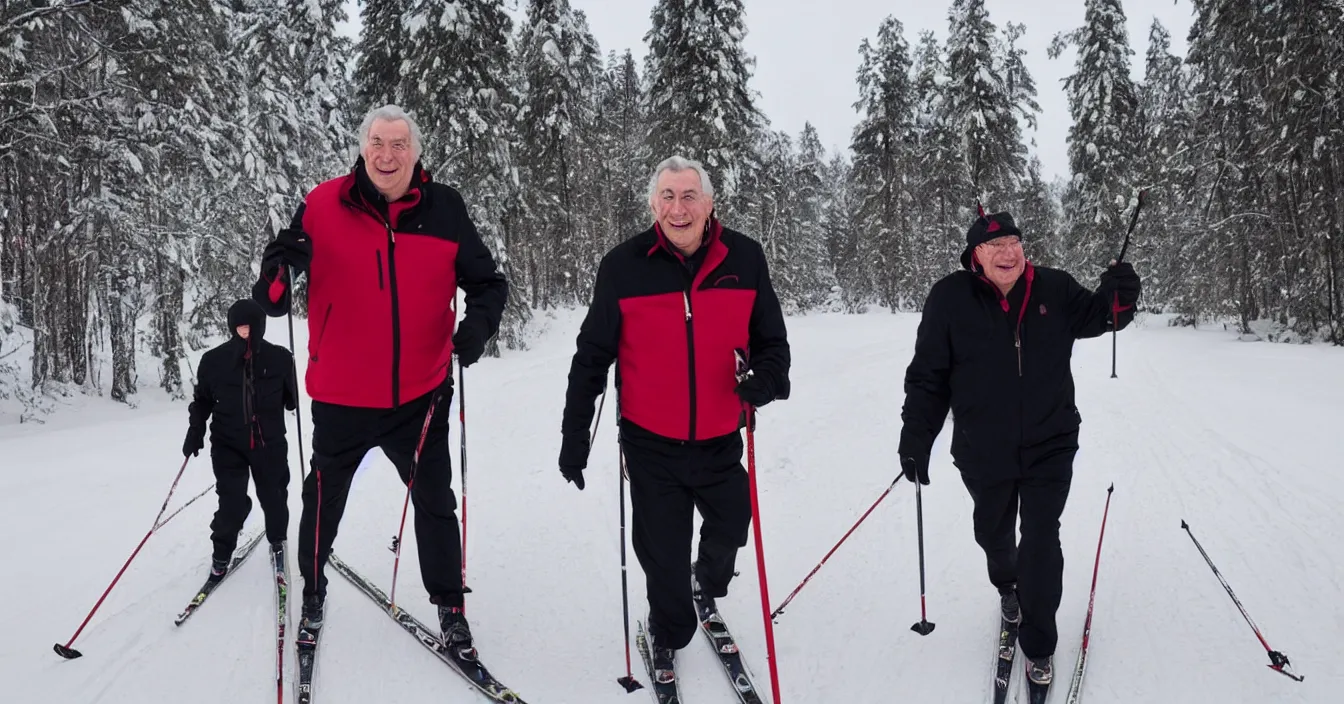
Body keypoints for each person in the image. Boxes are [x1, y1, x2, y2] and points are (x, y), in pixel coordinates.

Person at [250, 104, 508, 660]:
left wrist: (478, 329)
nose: (386, 156)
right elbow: (269, 303)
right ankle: (313, 592)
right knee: (321, 500)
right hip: (341, 397)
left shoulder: (445, 209)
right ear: (363, 147)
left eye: (399, 145)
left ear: (416, 153)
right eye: (377, 143)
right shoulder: (322, 205)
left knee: (436, 503)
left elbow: (488, 284)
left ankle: (450, 607)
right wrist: (276, 266)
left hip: (421, 395)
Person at [558, 155, 790, 684]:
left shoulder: (745, 259)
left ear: (710, 204)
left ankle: (703, 582)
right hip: (650, 444)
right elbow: (592, 356)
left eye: (689, 197)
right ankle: (668, 627)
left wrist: (767, 380)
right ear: (652, 204)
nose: (678, 209)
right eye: (668, 197)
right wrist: (575, 437)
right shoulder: (624, 266)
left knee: (733, 521)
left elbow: (773, 344)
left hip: (719, 438)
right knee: (662, 560)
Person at [897, 207, 1142, 686]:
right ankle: (1006, 587)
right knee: (993, 534)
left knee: (1041, 542)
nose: (1008, 252)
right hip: (980, 448)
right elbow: (928, 377)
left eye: (1014, 242)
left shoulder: (1053, 287)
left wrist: (1122, 296)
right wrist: (916, 435)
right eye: (994, 246)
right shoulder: (949, 299)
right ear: (976, 257)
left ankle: (1039, 642)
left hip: (1050, 444)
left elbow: (1101, 317)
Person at [184, 298, 298, 578]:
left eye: (251, 328)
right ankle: (222, 552)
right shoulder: (213, 361)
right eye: (240, 328)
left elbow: (291, 400)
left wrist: (292, 396)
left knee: (274, 497)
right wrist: (196, 429)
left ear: (262, 327)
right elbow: (202, 401)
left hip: (269, 443)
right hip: (227, 443)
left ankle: (277, 541)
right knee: (231, 501)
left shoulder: (281, 358)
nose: (246, 333)